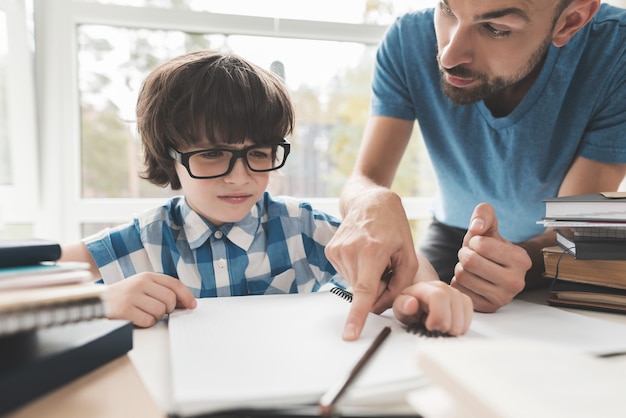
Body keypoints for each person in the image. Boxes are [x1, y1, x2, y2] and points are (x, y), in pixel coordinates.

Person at [60, 50, 473, 338]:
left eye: (258, 153)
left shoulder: (300, 226)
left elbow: (398, 260)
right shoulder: (146, 238)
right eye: (213, 155)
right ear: (169, 159)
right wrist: (101, 301)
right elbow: (23, 276)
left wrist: (428, 290)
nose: (240, 177)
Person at [325, 0, 626, 340]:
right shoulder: (406, 39)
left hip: (550, 248)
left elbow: (579, 225)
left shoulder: (618, 50)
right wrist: (371, 200)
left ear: (570, 21)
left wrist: (518, 265)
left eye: (496, 29)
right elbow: (365, 178)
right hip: (451, 230)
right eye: (447, 9)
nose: (448, 56)